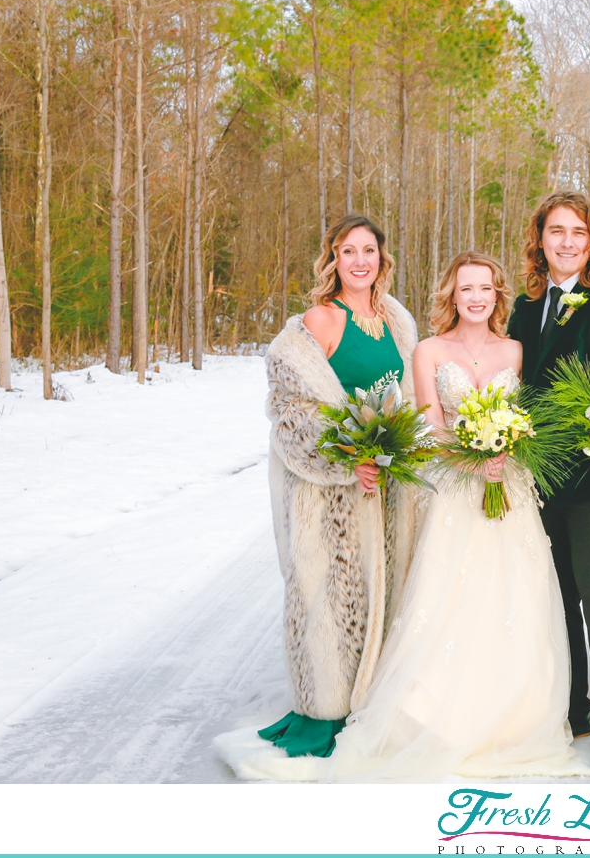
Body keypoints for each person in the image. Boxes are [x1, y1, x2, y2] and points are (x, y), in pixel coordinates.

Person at [315, 252, 575, 780]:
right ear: (451, 297)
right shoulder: (429, 351)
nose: (476, 297)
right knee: (450, 594)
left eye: (485, 288)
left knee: (515, 594)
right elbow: (431, 425)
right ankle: (437, 717)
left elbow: (525, 417)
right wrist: (472, 454)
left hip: (510, 487)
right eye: (466, 289)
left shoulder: (516, 350)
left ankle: (517, 716)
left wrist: (506, 452)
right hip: (455, 486)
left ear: (496, 296)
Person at [215, 218, 424, 779]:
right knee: (324, 595)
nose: (360, 261)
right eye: (348, 251)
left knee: (380, 590)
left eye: (370, 250)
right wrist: (344, 459)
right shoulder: (318, 321)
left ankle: (369, 702)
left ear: (383, 257)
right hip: (323, 492)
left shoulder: (398, 320)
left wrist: (395, 451)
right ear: (333, 258)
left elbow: (407, 397)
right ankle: (324, 709)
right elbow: (291, 411)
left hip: (383, 485)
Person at [508, 192, 590, 753]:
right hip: (533, 480)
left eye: (577, 233)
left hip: (588, 480)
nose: (565, 242)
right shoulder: (520, 306)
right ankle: (573, 711)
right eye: (555, 231)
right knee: (554, 599)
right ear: (540, 239)